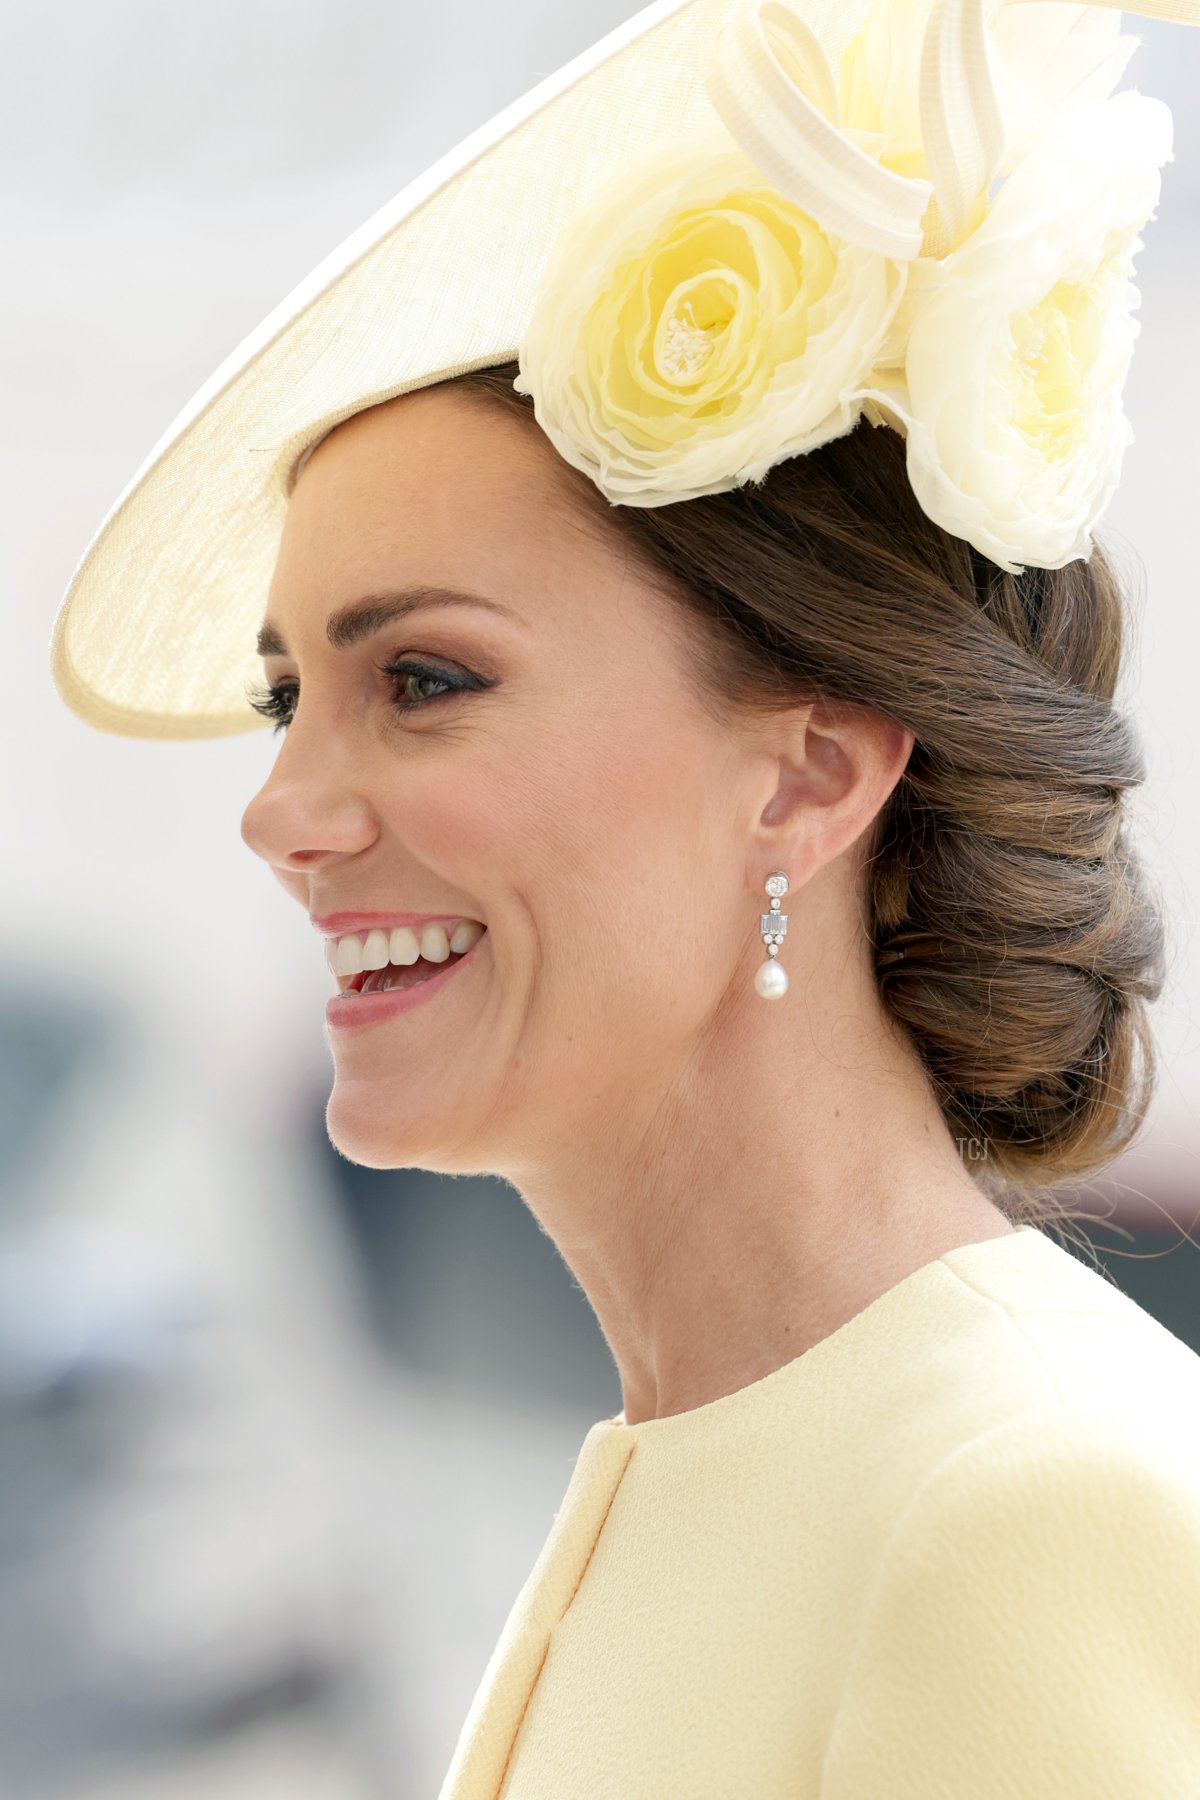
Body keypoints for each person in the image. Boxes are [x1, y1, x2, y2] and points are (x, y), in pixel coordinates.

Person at [49, 0, 1200, 1793]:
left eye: (422, 679)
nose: (280, 811)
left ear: (812, 776)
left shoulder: (1019, 1499)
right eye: (291, 700)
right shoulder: (690, 1469)